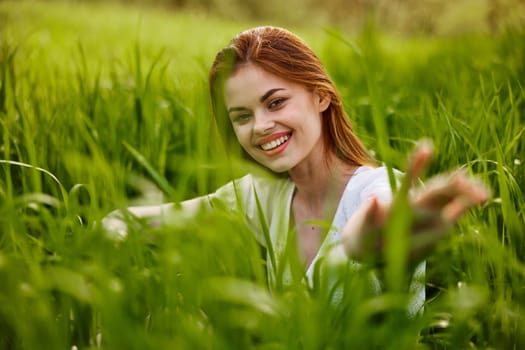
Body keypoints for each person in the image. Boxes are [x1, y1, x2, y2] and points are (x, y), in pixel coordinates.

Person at [103, 26, 489, 311]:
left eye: (275, 103)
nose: (260, 127)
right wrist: (112, 235)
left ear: (321, 96)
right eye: (241, 116)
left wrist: (366, 242)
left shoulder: (379, 191)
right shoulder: (261, 196)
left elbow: (370, 231)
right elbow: (131, 221)